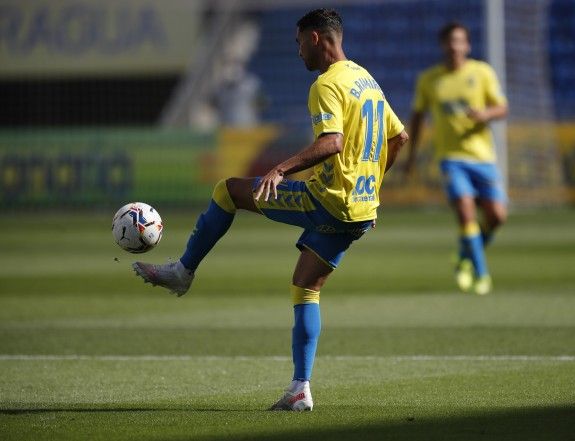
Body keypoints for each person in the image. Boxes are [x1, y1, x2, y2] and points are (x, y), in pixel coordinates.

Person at [132, 8, 408, 411]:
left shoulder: (326, 84)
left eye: (298, 43)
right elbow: (399, 137)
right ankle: (299, 389)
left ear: (315, 38)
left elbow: (331, 142)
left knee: (228, 191)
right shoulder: (366, 79)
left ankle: (183, 271)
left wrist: (279, 168)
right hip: (360, 209)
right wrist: (372, 187)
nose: (296, 52)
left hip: (327, 201)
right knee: (305, 288)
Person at [405, 22, 508, 295]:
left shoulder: (482, 72)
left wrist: (486, 115)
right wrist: (411, 155)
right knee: (465, 211)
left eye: (459, 40)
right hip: (450, 158)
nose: (454, 46)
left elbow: (501, 107)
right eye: (450, 41)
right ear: (442, 45)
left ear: (468, 45)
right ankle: (482, 275)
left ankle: (464, 257)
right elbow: (417, 118)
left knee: (497, 216)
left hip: (482, 156)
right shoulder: (429, 80)